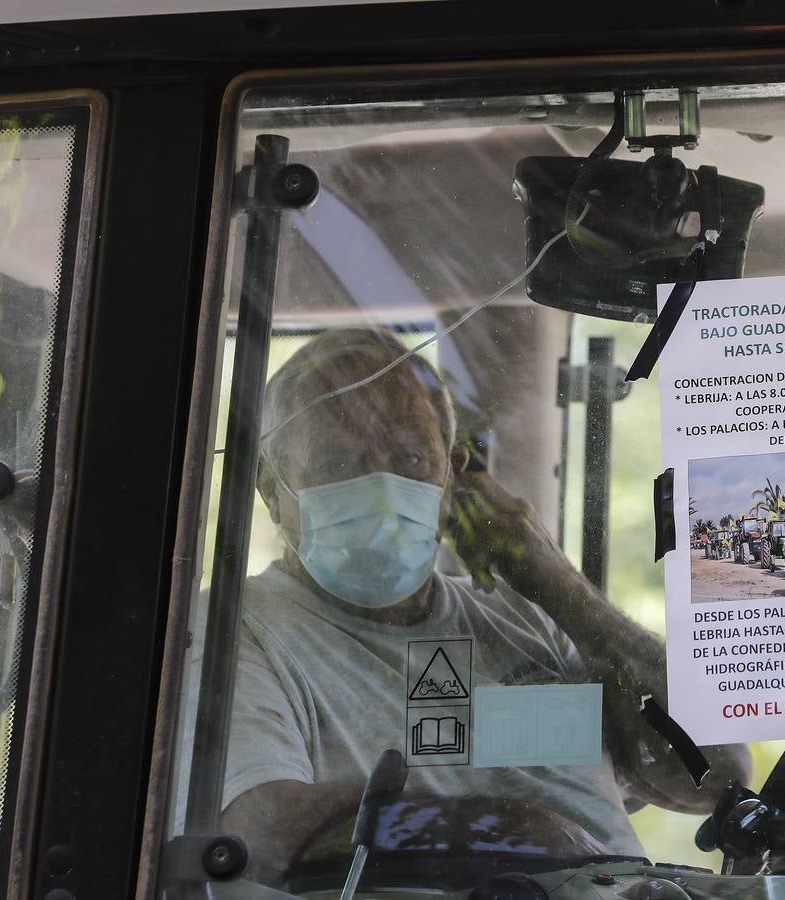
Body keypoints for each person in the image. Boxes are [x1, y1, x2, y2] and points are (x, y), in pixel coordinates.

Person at [218, 327, 749, 882]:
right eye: (334, 464)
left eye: (410, 459)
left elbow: (714, 777)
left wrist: (558, 586)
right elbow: (261, 835)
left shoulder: (527, 618)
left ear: (453, 476)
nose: (378, 489)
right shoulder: (242, 634)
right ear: (271, 490)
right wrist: (530, 838)